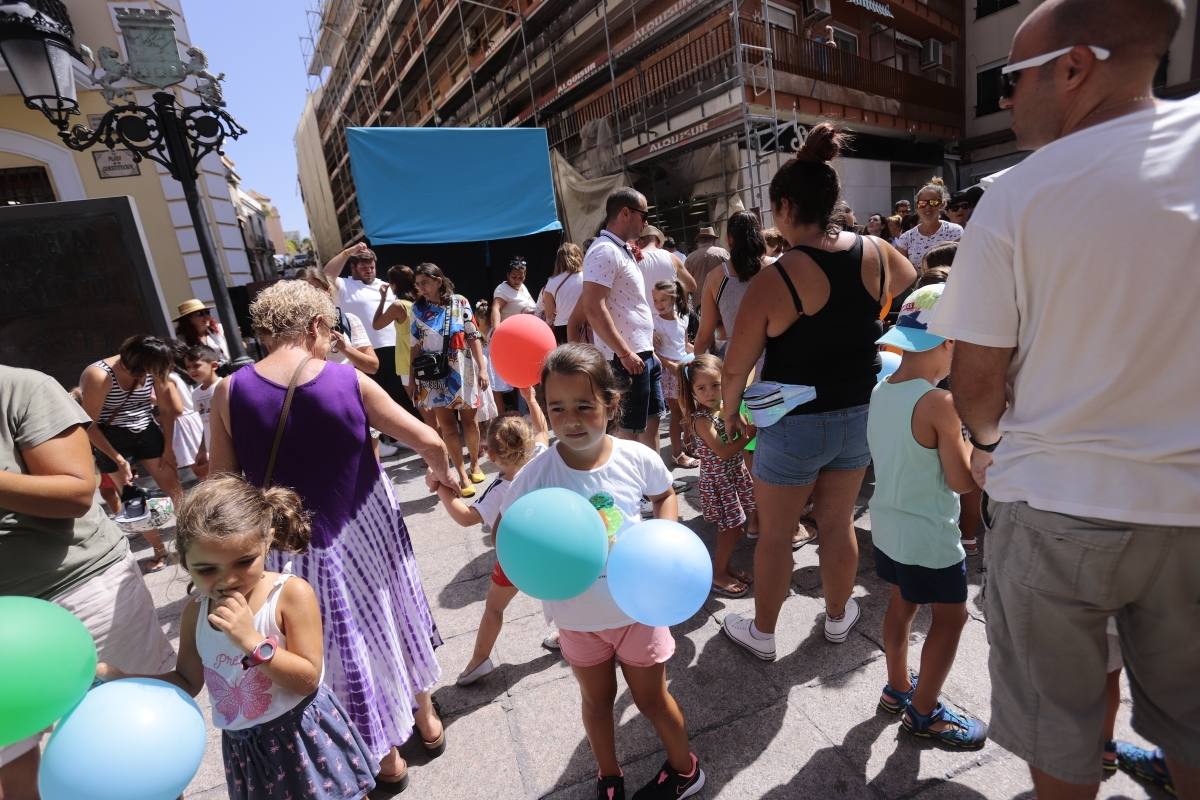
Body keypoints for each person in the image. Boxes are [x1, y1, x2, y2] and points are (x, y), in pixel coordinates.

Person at [930, 1, 1199, 796]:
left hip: (1056, 507)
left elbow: (976, 389)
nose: (1005, 99)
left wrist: (988, 438)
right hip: (1191, 507)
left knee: (1062, 737)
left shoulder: (1018, 196)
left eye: (1010, 79)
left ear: (1075, 67)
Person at [209, 280, 455, 789]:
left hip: (288, 546)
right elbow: (428, 439)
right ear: (318, 326)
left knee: (333, 644)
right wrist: (441, 476)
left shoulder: (228, 392)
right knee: (391, 614)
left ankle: (384, 757)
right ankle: (425, 719)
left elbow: (221, 487)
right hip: (365, 525)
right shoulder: (347, 382)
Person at [719, 123, 916, 661]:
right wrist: (868, 313)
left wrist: (729, 415)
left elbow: (735, 368)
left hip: (793, 421)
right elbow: (907, 276)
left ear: (784, 206)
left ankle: (763, 632)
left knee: (778, 534)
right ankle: (835, 619)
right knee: (838, 522)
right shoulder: (876, 250)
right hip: (857, 413)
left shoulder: (775, 278)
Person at [499, 344, 704, 799]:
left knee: (652, 699)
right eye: (557, 408)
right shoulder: (536, 475)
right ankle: (608, 775)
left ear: (611, 405)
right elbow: (509, 530)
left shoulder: (636, 457)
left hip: (638, 611)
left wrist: (663, 539)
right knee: (596, 702)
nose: (571, 419)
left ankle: (685, 768)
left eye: (584, 406)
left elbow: (664, 492)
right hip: (577, 618)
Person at [96, 475, 378, 799]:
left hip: (303, 733)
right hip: (247, 748)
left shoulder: (288, 595)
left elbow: (307, 679)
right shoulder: (196, 614)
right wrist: (126, 680)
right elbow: (187, 680)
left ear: (266, 542)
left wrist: (252, 640)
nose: (227, 580)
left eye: (244, 561)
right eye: (206, 569)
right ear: (185, 562)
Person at [0, 366, 176, 800]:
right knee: (11, 757)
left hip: (80, 592)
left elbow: (77, 494)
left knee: (136, 750)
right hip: (7, 625)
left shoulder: (21, 389)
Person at [868, 284, 988, 750]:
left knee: (902, 601)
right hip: (930, 535)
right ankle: (923, 713)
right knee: (952, 618)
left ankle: (897, 686)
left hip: (890, 526)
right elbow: (962, 482)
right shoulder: (940, 403)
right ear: (949, 343)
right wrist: (980, 439)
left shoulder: (881, 389)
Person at [435, 403, 550, 686]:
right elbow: (544, 430)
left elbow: (465, 517)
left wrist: (442, 490)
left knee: (494, 608)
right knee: (563, 593)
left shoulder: (503, 489)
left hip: (517, 558)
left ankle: (479, 661)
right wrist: (530, 398)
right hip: (550, 549)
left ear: (492, 455)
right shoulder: (540, 457)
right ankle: (572, 635)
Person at [79, 334, 185, 572]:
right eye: (147, 371)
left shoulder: (153, 365)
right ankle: (159, 550)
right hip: (110, 436)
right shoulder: (100, 375)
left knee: (174, 486)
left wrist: (168, 447)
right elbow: (88, 424)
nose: (150, 375)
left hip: (146, 428)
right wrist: (117, 458)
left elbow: (167, 410)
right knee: (132, 499)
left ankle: (193, 539)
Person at [570, 188, 663, 453]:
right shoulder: (604, 251)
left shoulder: (618, 250)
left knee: (650, 423)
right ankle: (633, 493)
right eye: (643, 215)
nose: (646, 222)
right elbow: (593, 306)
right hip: (627, 359)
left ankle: (653, 487)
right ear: (625, 213)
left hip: (640, 354)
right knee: (629, 433)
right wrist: (624, 353)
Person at [679, 354, 757, 598]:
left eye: (715, 384)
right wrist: (748, 436)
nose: (710, 392)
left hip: (734, 475)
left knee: (737, 527)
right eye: (702, 388)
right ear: (692, 391)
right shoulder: (701, 419)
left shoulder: (724, 408)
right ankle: (718, 573)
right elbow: (723, 452)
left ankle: (726, 567)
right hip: (720, 481)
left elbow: (741, 425)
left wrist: (739, 416)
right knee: (730, 529)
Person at [410, 262, 489, 495]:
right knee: (448, 428)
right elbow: (415, 346)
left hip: (461, 369)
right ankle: (463, 475)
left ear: (438, 280)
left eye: (424, 282)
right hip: (432, 375)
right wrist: (412, 378)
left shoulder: (460, 302)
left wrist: (483, 368)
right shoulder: (417, 309)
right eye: (417, 284)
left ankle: (474, 463)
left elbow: (473, 336)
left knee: (470, 423)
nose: (421, 288)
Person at [322, 243, 405, 455]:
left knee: (396, 395)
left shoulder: (384, 285)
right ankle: (380, 442)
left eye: (372, 266)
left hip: (392, 347)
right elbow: (327, 274)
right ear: (353, 268)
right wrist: (348, 252)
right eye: (364, 267)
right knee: (370, 399)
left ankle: (398, 436)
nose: (369, 270)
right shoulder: (344, 285)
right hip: (363, 351)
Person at [694, 210, 770, 357]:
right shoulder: (776, 267)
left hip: (738, 362)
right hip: (777, 358)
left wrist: (696, 363)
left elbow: (704, 334)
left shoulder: (716, 277)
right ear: (759, 235)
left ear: (730, 238)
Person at [651, 280, 697, 469]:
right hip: (670, 372)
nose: (658, 304)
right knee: (677, 414)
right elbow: (652, 350)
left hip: (685, 367)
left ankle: (688, 443)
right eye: (655, 300)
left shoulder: (682, 318)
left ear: (674, 298)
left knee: (689, 410)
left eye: (663, 300)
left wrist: (701, 354)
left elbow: (684, 344)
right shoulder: (655, 323)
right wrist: (668, 364)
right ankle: (677, 454)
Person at [300, 267, 379, 375]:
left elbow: (372, 367)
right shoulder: (291, 328)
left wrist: (344, 347)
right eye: (305, 291)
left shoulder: (349, 320)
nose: (312, 296)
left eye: (317, 289)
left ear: (327, 291)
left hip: (345, 387)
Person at [372, 264, 421, 418]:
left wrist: (382, 299)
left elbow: (376, 324)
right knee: (435, 412)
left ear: (393, 285)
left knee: (426, 414)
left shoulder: (398, 306)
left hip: (407, 364)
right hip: (425, 360)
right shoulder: (420, 302)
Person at [893, 178, 963, 272]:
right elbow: (901, 271)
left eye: (933, 202)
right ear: (917, 207)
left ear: (942, 204)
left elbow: (962, 263)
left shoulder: (955, 231)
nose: (928, 207)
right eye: (922, 203)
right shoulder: (906, 238)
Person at [167, 347, 206, 481]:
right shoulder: (181, 375)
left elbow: (177, 408)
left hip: (185, 424)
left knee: (201, 470)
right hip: (194, 418)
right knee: (206, 467)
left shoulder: (169, 378)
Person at [184, 343, 222, 480]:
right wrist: (202, 449)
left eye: (196, 365)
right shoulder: (195, 394)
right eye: (188, 367)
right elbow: (204, 424)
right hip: (212, 448)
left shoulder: (223, 386)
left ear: (214, 366)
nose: (191, 370)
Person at [636, 225, 697, 308]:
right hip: (670, 315)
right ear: (658, 242)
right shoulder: (672, 257)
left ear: (640, 241)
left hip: (645, 316)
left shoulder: (633, 259)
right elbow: (692, 286)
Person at [542, 243, 586, 345]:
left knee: (570, 360)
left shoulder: (551, 282)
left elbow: (549, 315)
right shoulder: (587, 277)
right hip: (586, 325)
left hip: (562, 329)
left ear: (558, 261)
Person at [683, 226, 730, 308]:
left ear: (698, 241)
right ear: (713, 240)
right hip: (722, 299)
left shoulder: (690, 258)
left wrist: (685, 304)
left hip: (700, 302)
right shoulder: (723, 253)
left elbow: (685, 284)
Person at [173, 298, 230, 362]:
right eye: (200, 314)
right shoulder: (181, 340)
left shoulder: (219, 329)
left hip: (230, 368)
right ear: (188, 319)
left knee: (243, 370)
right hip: (206, 371)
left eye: (207, 312)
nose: (206, 317)